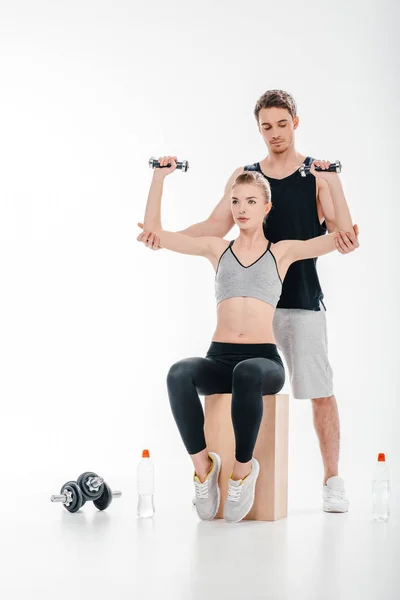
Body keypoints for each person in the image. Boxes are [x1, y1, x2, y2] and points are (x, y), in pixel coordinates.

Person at [138, 90, 359, 515]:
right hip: (246, 301)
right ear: (258, 128)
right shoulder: (246, 178)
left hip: (299, 299)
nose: (274, 133)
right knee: (232, 375)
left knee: (318, 391)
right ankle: (214, 471)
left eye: (281, 123)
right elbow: (212, 227)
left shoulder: (314, 175)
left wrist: (333, 180)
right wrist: (164, 237)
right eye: (266, 126)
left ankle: (331, 479)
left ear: (295, 121)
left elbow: (341, 232)